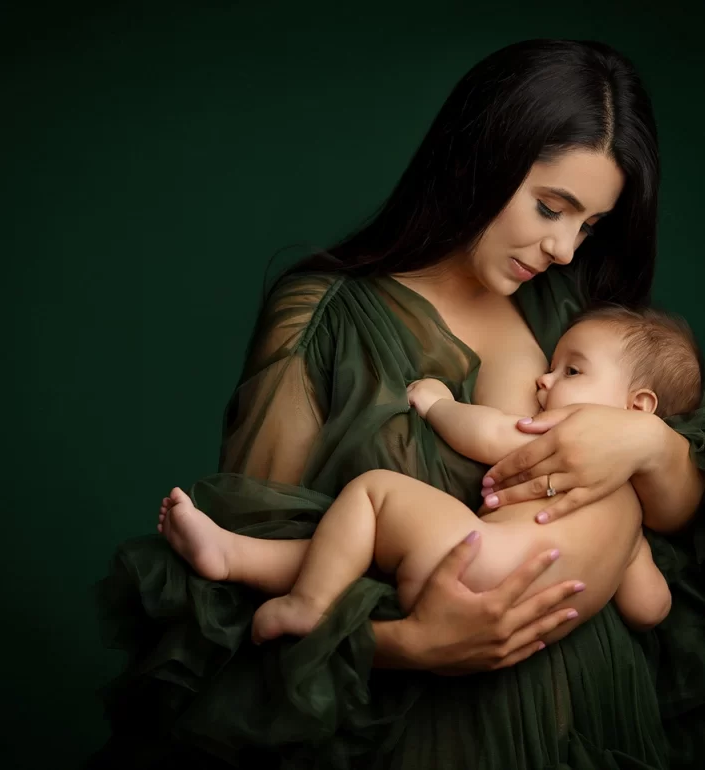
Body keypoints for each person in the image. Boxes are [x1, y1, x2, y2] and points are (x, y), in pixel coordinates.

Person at [91, 39, 705, 770]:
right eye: (550, 207)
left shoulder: (579, 322)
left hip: (601, 728)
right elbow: (227, 598)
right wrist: (411, 646)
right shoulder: (324, 321)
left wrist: (652, 447)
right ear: (481, 157)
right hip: (421, 741)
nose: (565, 248)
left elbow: (671, 525)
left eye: (590, 225)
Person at [157, 305, 702, 648]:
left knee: (371, 500)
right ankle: (232, 556)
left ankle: (309, 605)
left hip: (476, 557)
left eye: (572, 371)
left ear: (640, 406)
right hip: (535, 619)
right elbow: (649, 608)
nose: (544, 379)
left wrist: (438, 404)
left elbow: (489, 437)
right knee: (358, 549)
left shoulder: (574, 433)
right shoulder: (633, 522)